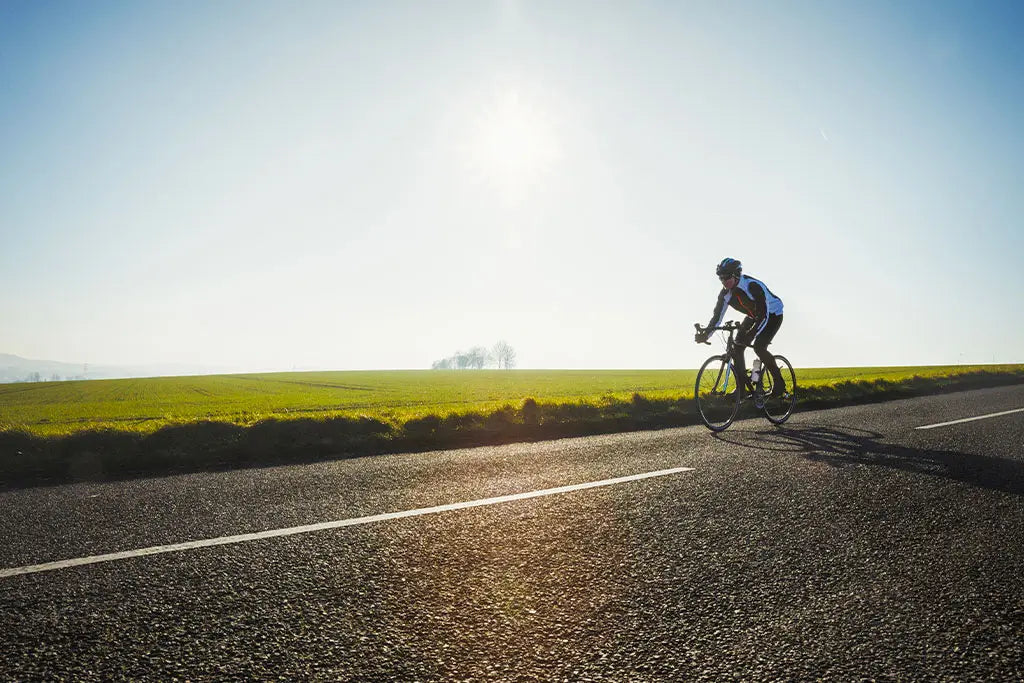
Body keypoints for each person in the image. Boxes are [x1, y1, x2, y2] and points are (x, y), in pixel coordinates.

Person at [695, 258, 787, 397]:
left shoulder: (752, 286)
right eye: (721, 278)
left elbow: (764, 314)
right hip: (753, 315)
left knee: (759, 346)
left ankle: (779, 383)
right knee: (737, 348)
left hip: (773, 314)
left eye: (727, 277)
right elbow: (717, 318)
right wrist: (706, 335)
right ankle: (741, 390)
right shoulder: (725, 294)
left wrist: (752, 332)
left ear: (736, 275)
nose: (724, 281)